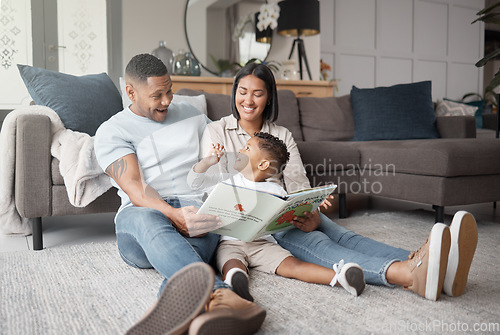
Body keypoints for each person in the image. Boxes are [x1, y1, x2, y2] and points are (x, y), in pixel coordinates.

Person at [197, 62, 479, 302]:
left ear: (269, 97)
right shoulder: (216, 131)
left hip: (281, 211)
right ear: (234, 93)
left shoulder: (282, 134)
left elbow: (297, 182)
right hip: (249, 222)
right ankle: (404, 273)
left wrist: (308, 208)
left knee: (345, 235)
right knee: (319, 244)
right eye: (242, 92)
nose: (248, 100)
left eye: (257, 93)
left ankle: (425, 261)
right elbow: (211, 186)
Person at [94, 54, 266, 335]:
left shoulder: (193, 114)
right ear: (131, 92)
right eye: (157, 95)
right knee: (147, 218)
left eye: (170, 90)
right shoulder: (112, 131)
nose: (167, 100)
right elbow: (136, 190)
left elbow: (224, 151)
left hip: (196, 211)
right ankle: (224, 296)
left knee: (189, 262)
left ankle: (196, 315)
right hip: (143, 221)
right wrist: (174, 214)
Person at [189, 132, 366, 300]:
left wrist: (313, 205)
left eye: (247, 148)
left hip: (263, 243)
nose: (240, 150)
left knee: (293, 266)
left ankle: (340, 277)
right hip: (230, 242)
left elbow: (287, 216)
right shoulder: (227, 181)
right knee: (231, 264)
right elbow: (194, 183)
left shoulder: (276, 190)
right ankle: (236, 280)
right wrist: (207, 162)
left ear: (263, 165)